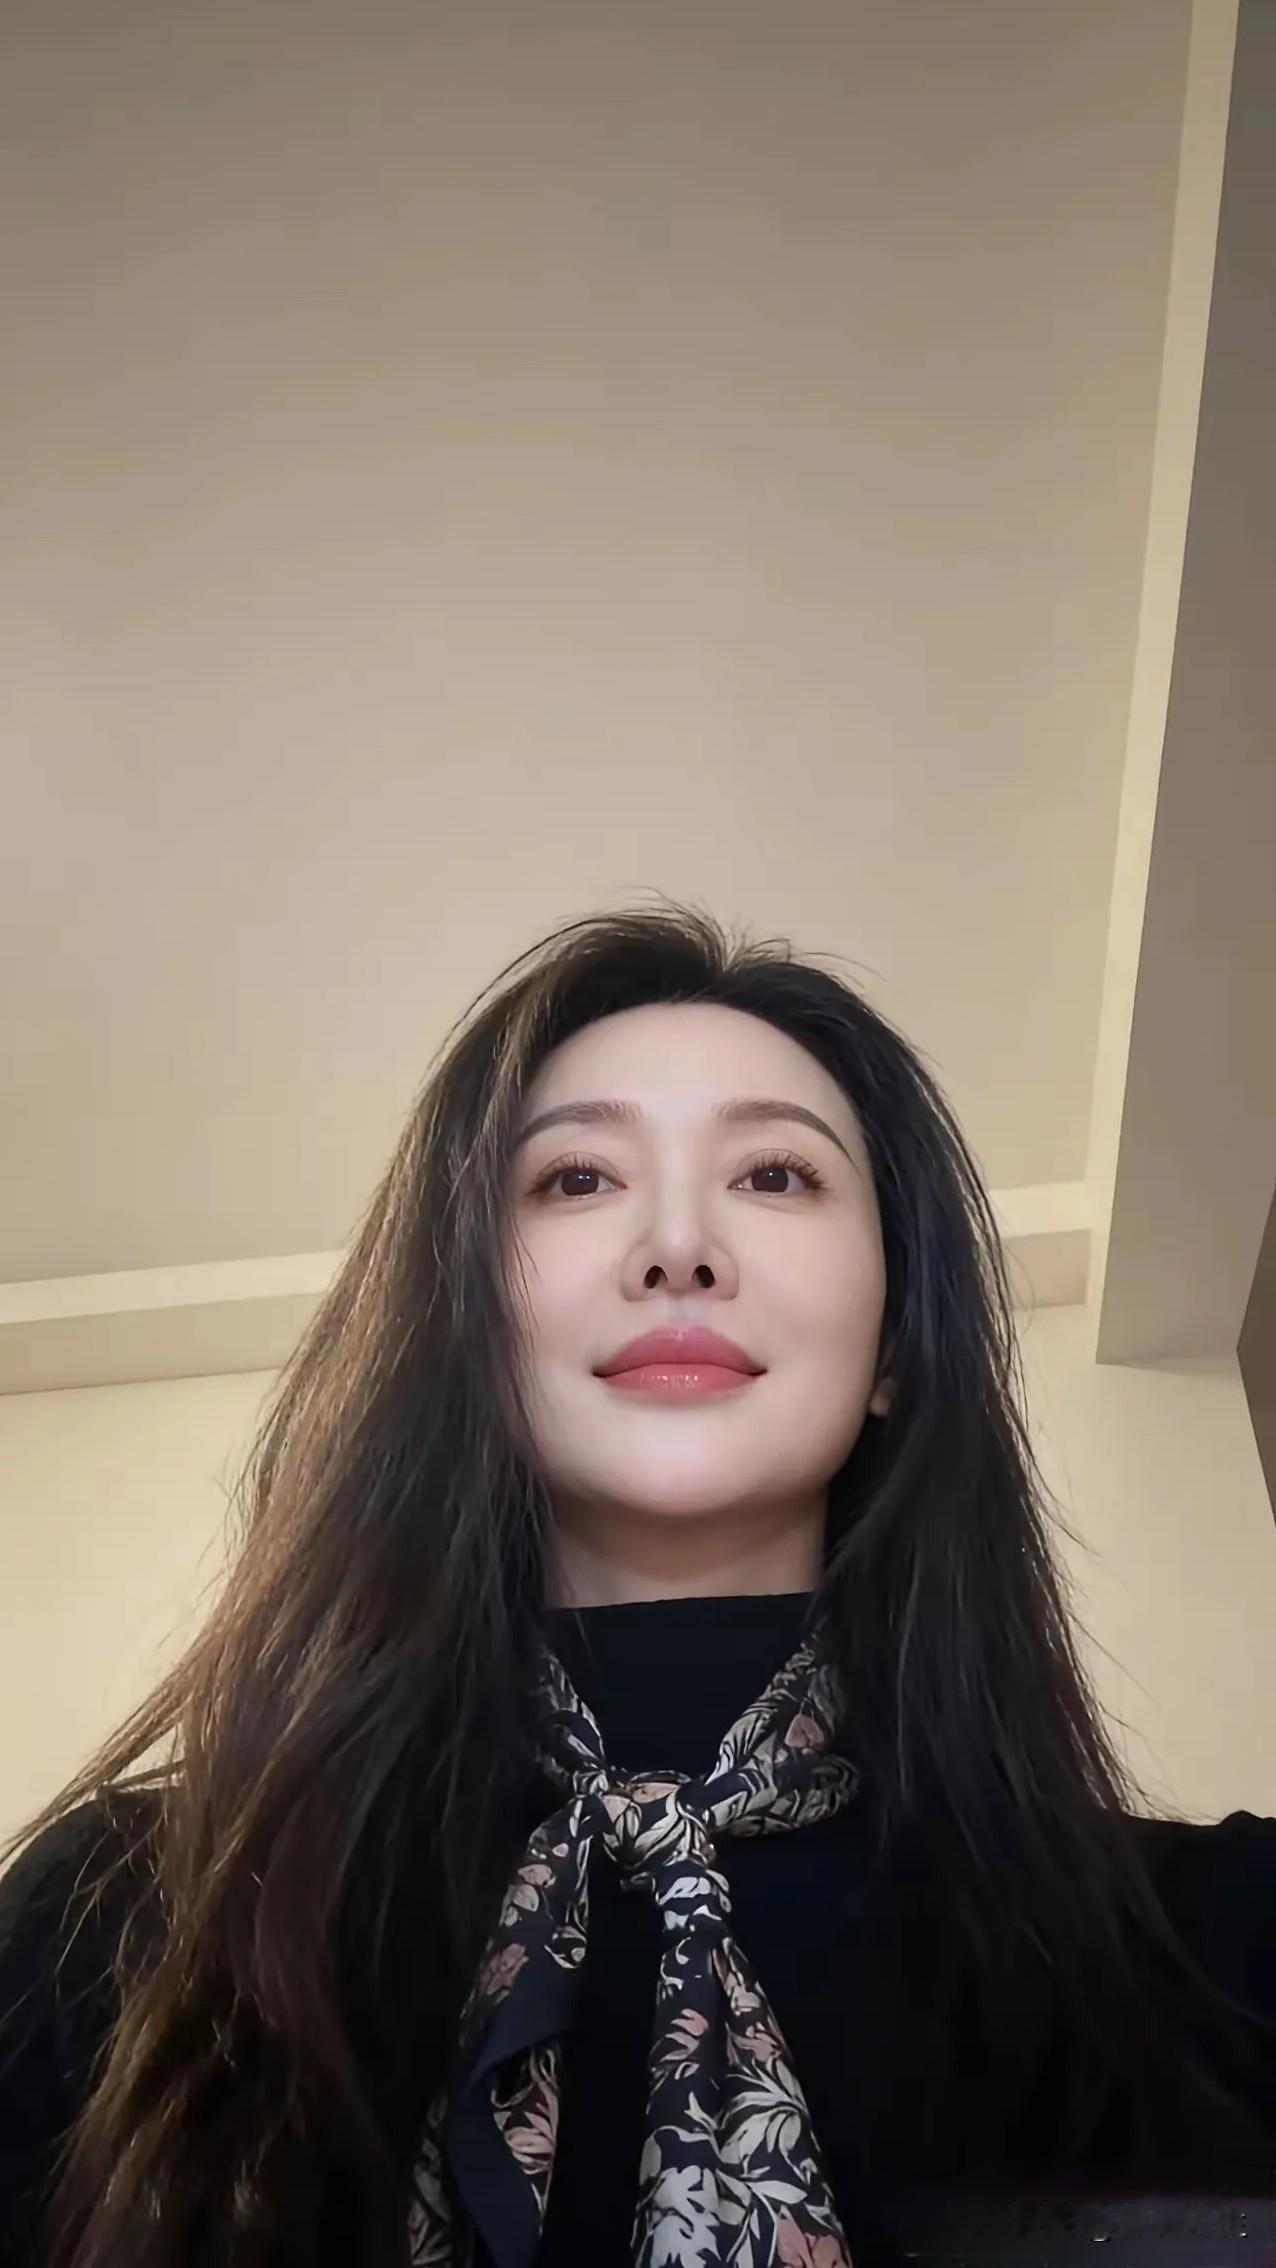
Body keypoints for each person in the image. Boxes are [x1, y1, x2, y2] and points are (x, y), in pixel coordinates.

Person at [1, 903, 1273, 2268]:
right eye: (575, 1179)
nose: (677, 1246)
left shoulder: (1220, 1940)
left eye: (776, 1175)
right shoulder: (128, 1932)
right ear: (465, 1328)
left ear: (898, 1346)